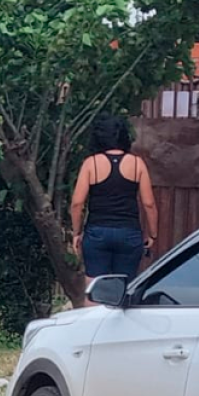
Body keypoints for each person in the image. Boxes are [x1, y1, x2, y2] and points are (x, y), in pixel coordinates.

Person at [70, 113, 159, 288]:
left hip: (97, 232)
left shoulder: (91, 163)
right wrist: (152, 234)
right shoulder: (137, 164)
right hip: (129, 232)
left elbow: (77, 204)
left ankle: (95, 314)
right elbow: (149, 204)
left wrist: (76, 233)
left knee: (94, 287)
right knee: (125, 287)